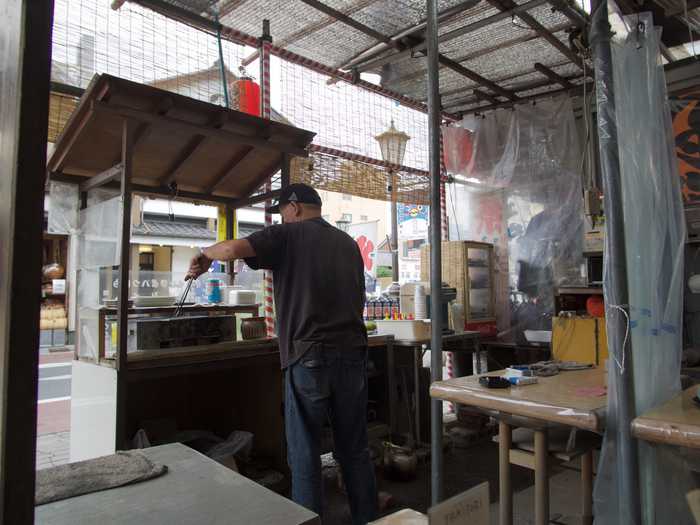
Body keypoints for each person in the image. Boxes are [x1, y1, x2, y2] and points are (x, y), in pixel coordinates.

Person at [187, 183, 377, 524]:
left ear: (295, 207)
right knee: (354, 450)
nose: (283, 218)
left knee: (304, 454)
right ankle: (368, 518)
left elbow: (230, 250)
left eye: (283, 212)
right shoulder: (347, 244)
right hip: (352, 353)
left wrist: (204, 253)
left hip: (309, 354)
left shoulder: (288, 236)